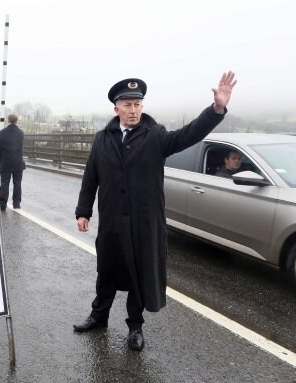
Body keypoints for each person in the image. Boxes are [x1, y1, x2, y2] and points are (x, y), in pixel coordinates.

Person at [73, 71, 237, 351]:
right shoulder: (102, 139)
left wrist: (216, 109)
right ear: (116, 109)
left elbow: (189, 134)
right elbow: (91, 177)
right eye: (127, 105)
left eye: (138, 104)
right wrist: (83, 211)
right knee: (107, 272)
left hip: (144, 224)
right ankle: (98, 317)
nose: (133, 110)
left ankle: (135, 328)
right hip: (112, 222)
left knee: (139, 275)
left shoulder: (155, 136)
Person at [0, 114, 25, 211]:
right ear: (16, 121)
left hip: (5, 162)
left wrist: (0, 160)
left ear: (8, 120)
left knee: (5, 184)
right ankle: (16, 204)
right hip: (17, 162)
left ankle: (3, 204)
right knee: (17, 184)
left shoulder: (2, 133)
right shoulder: (20, 133)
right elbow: (21, 148)